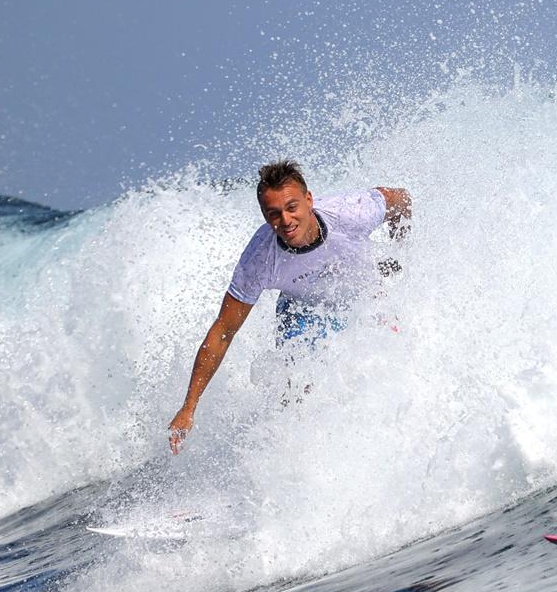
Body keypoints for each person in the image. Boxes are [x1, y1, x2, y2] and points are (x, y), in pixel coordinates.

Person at [168, 159, 411, 453]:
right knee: (299, 391)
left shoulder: (351, 212)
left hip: (364, 298)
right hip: (301, 311)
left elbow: (401, 200)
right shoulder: (259, 259)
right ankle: (306, 456)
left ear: (309, 200)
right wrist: (189, 407)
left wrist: (398, 255)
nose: (284, 220)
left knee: (394, 355)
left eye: (291, 207)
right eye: (273, 214)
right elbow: (223, 330)